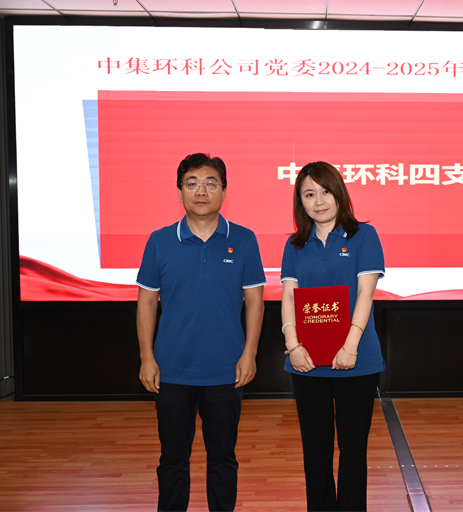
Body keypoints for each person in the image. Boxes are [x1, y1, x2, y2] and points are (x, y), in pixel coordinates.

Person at [136, 153, 266, 512]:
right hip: (172, 369)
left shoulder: (244, 240)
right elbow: (146, 303)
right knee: (172, 457)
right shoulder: (160, 241)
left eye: (211, 183)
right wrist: (147, 358)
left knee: (223, 457)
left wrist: (249, 353)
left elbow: (255, 301)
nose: (201, 191)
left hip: (226, 369)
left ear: (224, 190)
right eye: (191, 184)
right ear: (179, 192)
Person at [280, 161, 386, 512]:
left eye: (325, 191)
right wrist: (293, 345)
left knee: (353, 450)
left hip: (357, 360)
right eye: (309, 194)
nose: (319, 201)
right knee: (316, 450)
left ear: (339, 193)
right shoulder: (295, 244)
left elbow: (365, 294)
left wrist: (350, 347)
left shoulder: (364, 236)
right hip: (307, 361)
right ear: (300, 201)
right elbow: (289, 298)